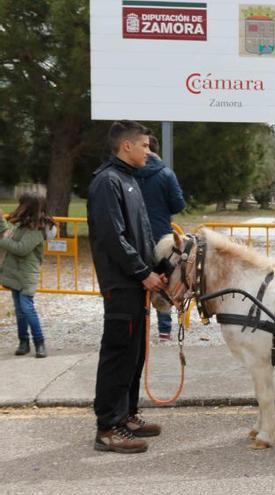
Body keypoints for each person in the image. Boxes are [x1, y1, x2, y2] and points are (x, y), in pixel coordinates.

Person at [88, 120, 166, 454]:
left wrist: (156, 270)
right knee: (119, 353)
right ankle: (108, 427)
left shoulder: (127, 179)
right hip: (122, 284)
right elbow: (112, 237)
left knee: (134, 354)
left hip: (135, 283)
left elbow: (141, 236)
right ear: (127, 146)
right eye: (145, 146)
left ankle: (127, 415)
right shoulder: (107, 182)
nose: (149, 152)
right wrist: (140, 273)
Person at [135, 135, 185, 342]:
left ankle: (139, 327)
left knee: (138, 277)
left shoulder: (129, 172)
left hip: (135, 234)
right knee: (162, 280)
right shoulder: (166, 174)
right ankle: (164, 329)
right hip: (160, 234)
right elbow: (178, 205)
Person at [0, 193, 55, 358]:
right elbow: (8, 234)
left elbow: (20, 248)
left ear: (28, 207)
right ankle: (23, 341)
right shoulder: (22, 226)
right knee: (19, 310)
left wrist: (2, 240)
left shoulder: (36, 230)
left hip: (26, 275)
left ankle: (39, 341)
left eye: (22, 204)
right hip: (15, 273)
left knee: (27, 308)